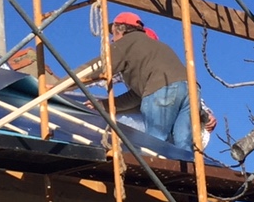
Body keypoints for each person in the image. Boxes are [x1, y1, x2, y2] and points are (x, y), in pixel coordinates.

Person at [79, 12, 194, 151]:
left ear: (120, 29)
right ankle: (189, 164)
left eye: (113, 34)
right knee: (184, 147)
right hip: (191, 91)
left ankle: (153, 164)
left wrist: (63, 83)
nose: (112, 39)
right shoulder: (156, 49)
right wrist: (105, 104)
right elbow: (137, 96)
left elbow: (97, 67)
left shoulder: (127, 43)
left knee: (155, 143)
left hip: (163, 91)